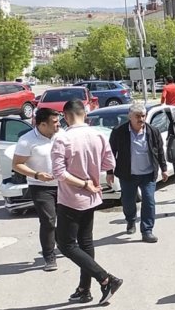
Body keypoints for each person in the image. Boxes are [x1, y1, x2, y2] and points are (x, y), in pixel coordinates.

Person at [50, 99, 122, 305]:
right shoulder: (98, 134)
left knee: (65, 244)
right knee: (85, 242)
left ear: (66, 116)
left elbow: (58, 173)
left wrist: (83, 183)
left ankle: (106, 278)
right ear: (85, 114)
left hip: (72, 198)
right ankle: (84, 289)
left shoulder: (62, 138)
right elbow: (110, 163)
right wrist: (95, 175)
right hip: (91, 197)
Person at [107, 103, 168, 243]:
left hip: (148, 174)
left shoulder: (153, 131)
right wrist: (109, 171)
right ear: (130, 117)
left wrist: (164, 169)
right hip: (128, 174)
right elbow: (111, 153)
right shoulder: (119, 131)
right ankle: (130, 220)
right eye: (138, 116)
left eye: (143, 116)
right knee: (128, 201)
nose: (141, 119)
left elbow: (159, 151)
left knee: (149, 200)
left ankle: (147, 230)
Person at [12, 107, 61, 271]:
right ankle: (49, 256)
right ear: (42, 125)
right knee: (48, 220)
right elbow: (17, 164)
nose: (58, 124)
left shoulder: (62, 135)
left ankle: (64, 244)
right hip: (40, 187)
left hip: (63, 185)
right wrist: (37, 174)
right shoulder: (27, 140)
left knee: (67, 218)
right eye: (54, 122)